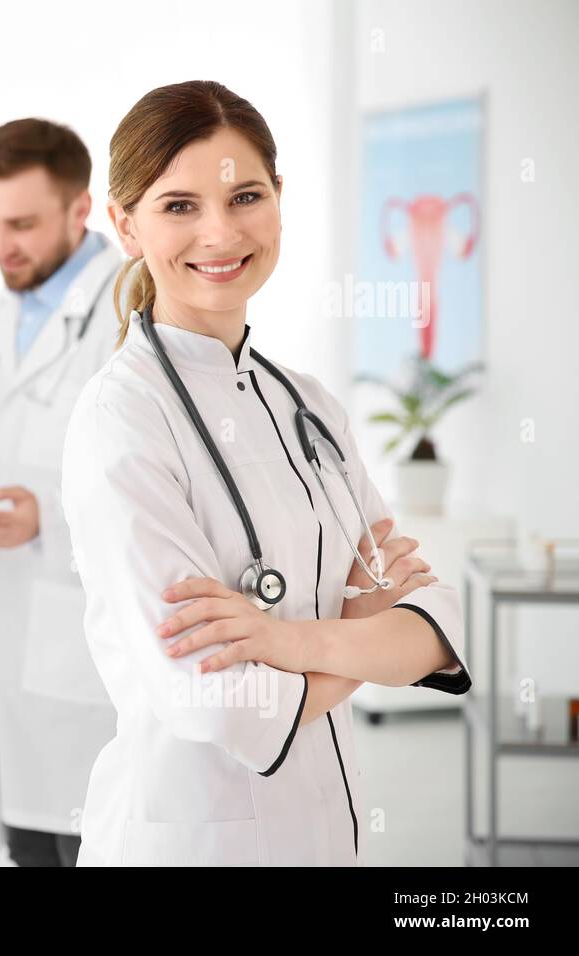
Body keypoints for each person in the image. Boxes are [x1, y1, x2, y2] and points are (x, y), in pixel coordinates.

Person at [62, 80, 471, 867]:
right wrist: (359, 633)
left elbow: (434, 625)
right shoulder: (121, 421)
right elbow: (219, 698)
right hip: (188, 842)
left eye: (244, 195)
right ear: (125, 225)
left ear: (278, 198)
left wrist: (286, 640)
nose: (219, 232)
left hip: (325, 835)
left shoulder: (310, 406)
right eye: (178, 205)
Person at [0, 119, 120, 866]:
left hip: (90, 651)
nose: (4, 245)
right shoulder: (8, 307)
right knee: (32, 843)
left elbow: (157, 481)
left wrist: (45, 517)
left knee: (95, 839)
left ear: (80, 209)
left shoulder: (133, 305)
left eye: (22, 224)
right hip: (15, 637)